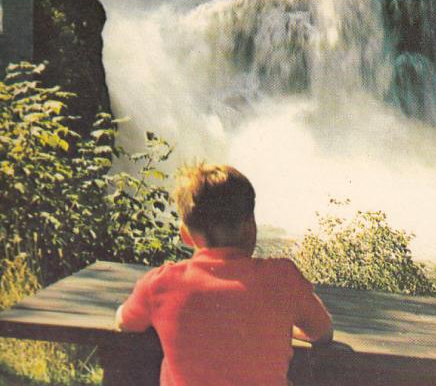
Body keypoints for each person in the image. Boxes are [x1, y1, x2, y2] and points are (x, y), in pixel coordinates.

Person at [115, 162, 333, 386]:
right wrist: (285, 327)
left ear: (186, 235)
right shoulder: (283, 277)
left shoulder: (160, 284)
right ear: (251, 226)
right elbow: (322, 332)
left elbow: (124, 321)